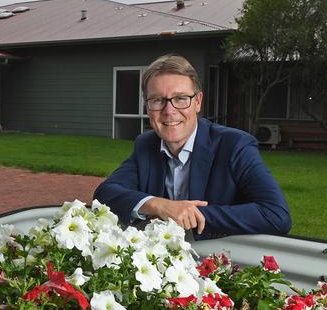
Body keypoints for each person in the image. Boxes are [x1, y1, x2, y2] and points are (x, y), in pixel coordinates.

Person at [93, 54, 291, 240]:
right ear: (147, 107)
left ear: (198, 102)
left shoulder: (235, 145)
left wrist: (189, 215)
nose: (169, 111)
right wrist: (161, 206)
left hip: (222, 260)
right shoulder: (146, 144)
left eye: (180, 99)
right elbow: (105, 194)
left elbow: (276, 215)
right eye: (157, 100)